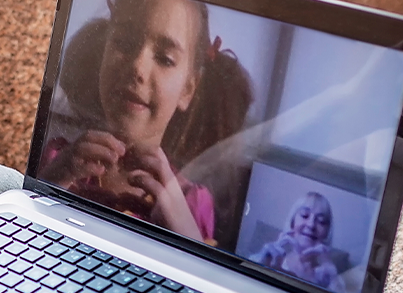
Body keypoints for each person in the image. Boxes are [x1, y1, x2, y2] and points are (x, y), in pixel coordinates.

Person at [36, 0, 253, 244]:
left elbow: (195, 278)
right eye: (124, 43)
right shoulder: (61, 161)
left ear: (187, 90)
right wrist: (53, 180)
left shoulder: (190, 202)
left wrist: (186, 236)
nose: (137, 67)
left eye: (165, 58)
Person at [250, 192, 349, 293]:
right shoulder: (266, 259)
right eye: (305, 215)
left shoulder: (329, 278)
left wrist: (332, 282)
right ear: (292, 222)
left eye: (321, 221)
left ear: (327, 233)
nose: (311, 225)